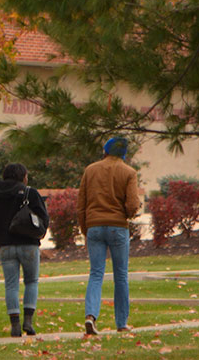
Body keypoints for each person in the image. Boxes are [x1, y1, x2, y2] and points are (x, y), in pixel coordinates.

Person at [0, 163, 50, 337]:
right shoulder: (31, 193)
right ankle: (28, 322)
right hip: (29, 245)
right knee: (31, 282)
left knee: (11, 285)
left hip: (6, 247)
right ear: (23, 176)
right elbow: (44, 218)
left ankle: (15, 324)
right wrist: (40, 232)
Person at [78, 137, 141, 336]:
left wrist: (85, 228)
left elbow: (81, 203)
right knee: (121, 275)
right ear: (124, 154)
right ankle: (121, 323)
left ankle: (90, 316)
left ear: (105, 151)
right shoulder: (129, 172)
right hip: (117, 227)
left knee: (96, 273)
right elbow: (132, 205)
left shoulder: (90, 170)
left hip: (94, 226)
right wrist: (128, 213)